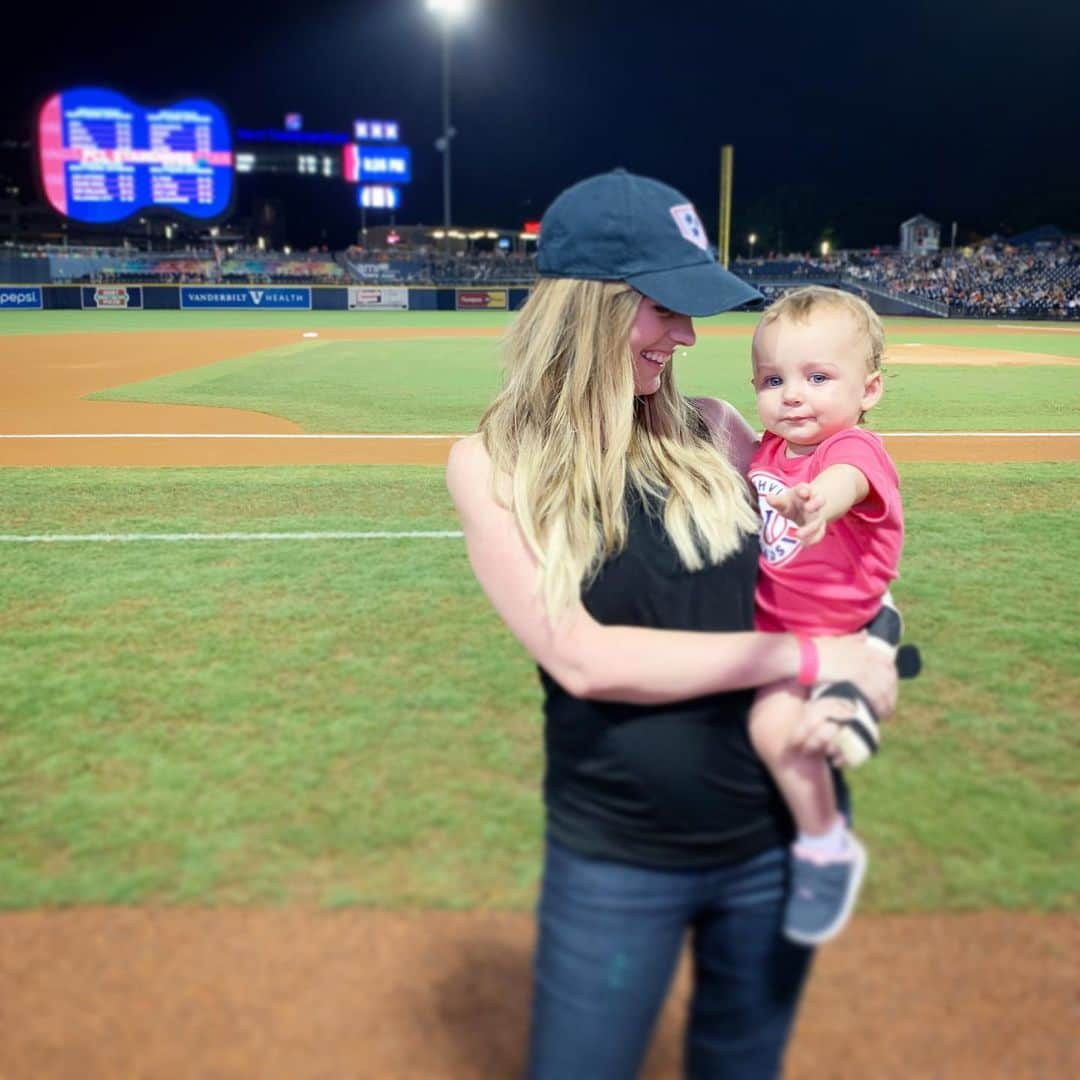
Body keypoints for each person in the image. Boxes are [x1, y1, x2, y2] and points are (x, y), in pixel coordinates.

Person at [446, 170, 897, 1079]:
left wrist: (871, 654)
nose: (687, 335)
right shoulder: (493, 465)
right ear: (590, 309)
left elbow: (846, 576)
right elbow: (582, 657)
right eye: (666, 308)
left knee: (741, 1064)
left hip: (775, 846)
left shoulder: (722, 430)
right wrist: (808, 651)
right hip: (619, 858)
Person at [745, 286, 904, 948]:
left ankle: (824, 845)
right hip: (783, 628)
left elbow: (847, 484)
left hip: (840, 628)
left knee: (774, 730)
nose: (792, 395)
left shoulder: (852, 451)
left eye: (817, 377)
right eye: (773, 379)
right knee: (767, 729)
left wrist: (818, 503)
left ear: (868, 390)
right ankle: (841, 714)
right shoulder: (767, 450)